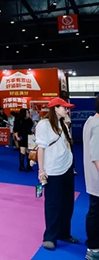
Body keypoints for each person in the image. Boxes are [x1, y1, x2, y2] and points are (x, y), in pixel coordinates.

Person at [37, 98, 78, 251]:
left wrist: (71, 164)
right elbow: (41, 148)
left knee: (68, 203)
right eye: (64, 108)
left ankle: (64, 233)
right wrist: (41, 170)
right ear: (55, 108)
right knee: (53, 204)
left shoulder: (64, 125)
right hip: (53, 170)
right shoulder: (44, 125)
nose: (67, 110)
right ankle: (50, 236)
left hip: (67, 168)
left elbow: (67, 145)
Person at [83, 95, 99, 260]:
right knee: (95, 212)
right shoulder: (98, 125)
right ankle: (94, 249)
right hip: (97, 178)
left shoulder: (91, 121)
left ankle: (93, 244)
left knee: (95, 211)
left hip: (93, 178)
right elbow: (96, 157)